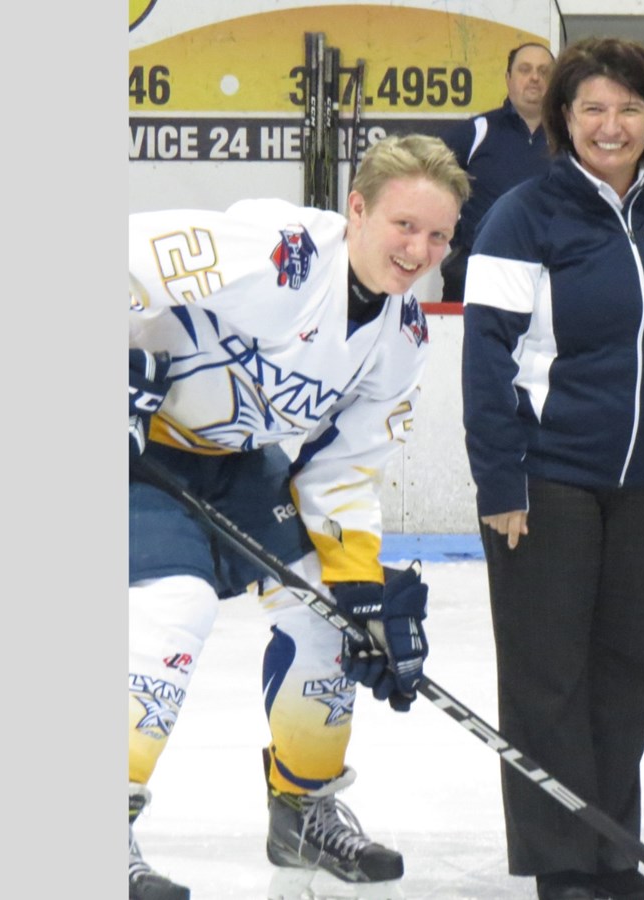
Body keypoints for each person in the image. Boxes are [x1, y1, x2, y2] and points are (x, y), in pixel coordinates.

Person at [127, 134, 469, 900]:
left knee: (329, 618)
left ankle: (303, 808)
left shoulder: (403, 335)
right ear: (356, 209)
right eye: (403, 225)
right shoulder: (276, 253)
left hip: (239, 462)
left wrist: (363, 591)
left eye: (438, 235)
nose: (419, 249)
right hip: (136, 445)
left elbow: (343, 469)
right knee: (171, 606)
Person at [460, 36, 644, 900]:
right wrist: (501, 483)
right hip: (547, 475)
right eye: (592, 106)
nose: (611, 123)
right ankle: (561, 863)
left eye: (630, 107)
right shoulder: (524, 213)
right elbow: (484, 358)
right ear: (562, 116)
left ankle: (610, 853)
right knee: (547, 675)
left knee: (628, 672)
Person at [438, 42, 555, 302]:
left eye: (544, 72)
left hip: (548, 276)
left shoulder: (572, 139)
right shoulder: (476, 132)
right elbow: (425, 180)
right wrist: (453, 236)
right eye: (525, 70)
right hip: (476, 273)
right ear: (508, 79)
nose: (535, 78)